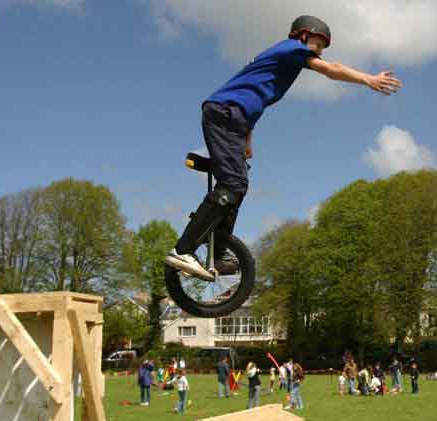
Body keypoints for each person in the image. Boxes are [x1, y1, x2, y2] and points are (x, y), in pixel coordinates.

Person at [166, 16, 402, 279]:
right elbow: (331, 69)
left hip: (233, 117)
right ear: (302, 36)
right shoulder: (291, 49)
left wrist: (247, 141)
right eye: (318, 44)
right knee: (232, 183)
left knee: (238, 186)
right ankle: (183, 250)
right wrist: (368, 79)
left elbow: (253, 102)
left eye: (322, 47)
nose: (319, 52)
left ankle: (219, 252)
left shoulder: (282, 65)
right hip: (224, 113)